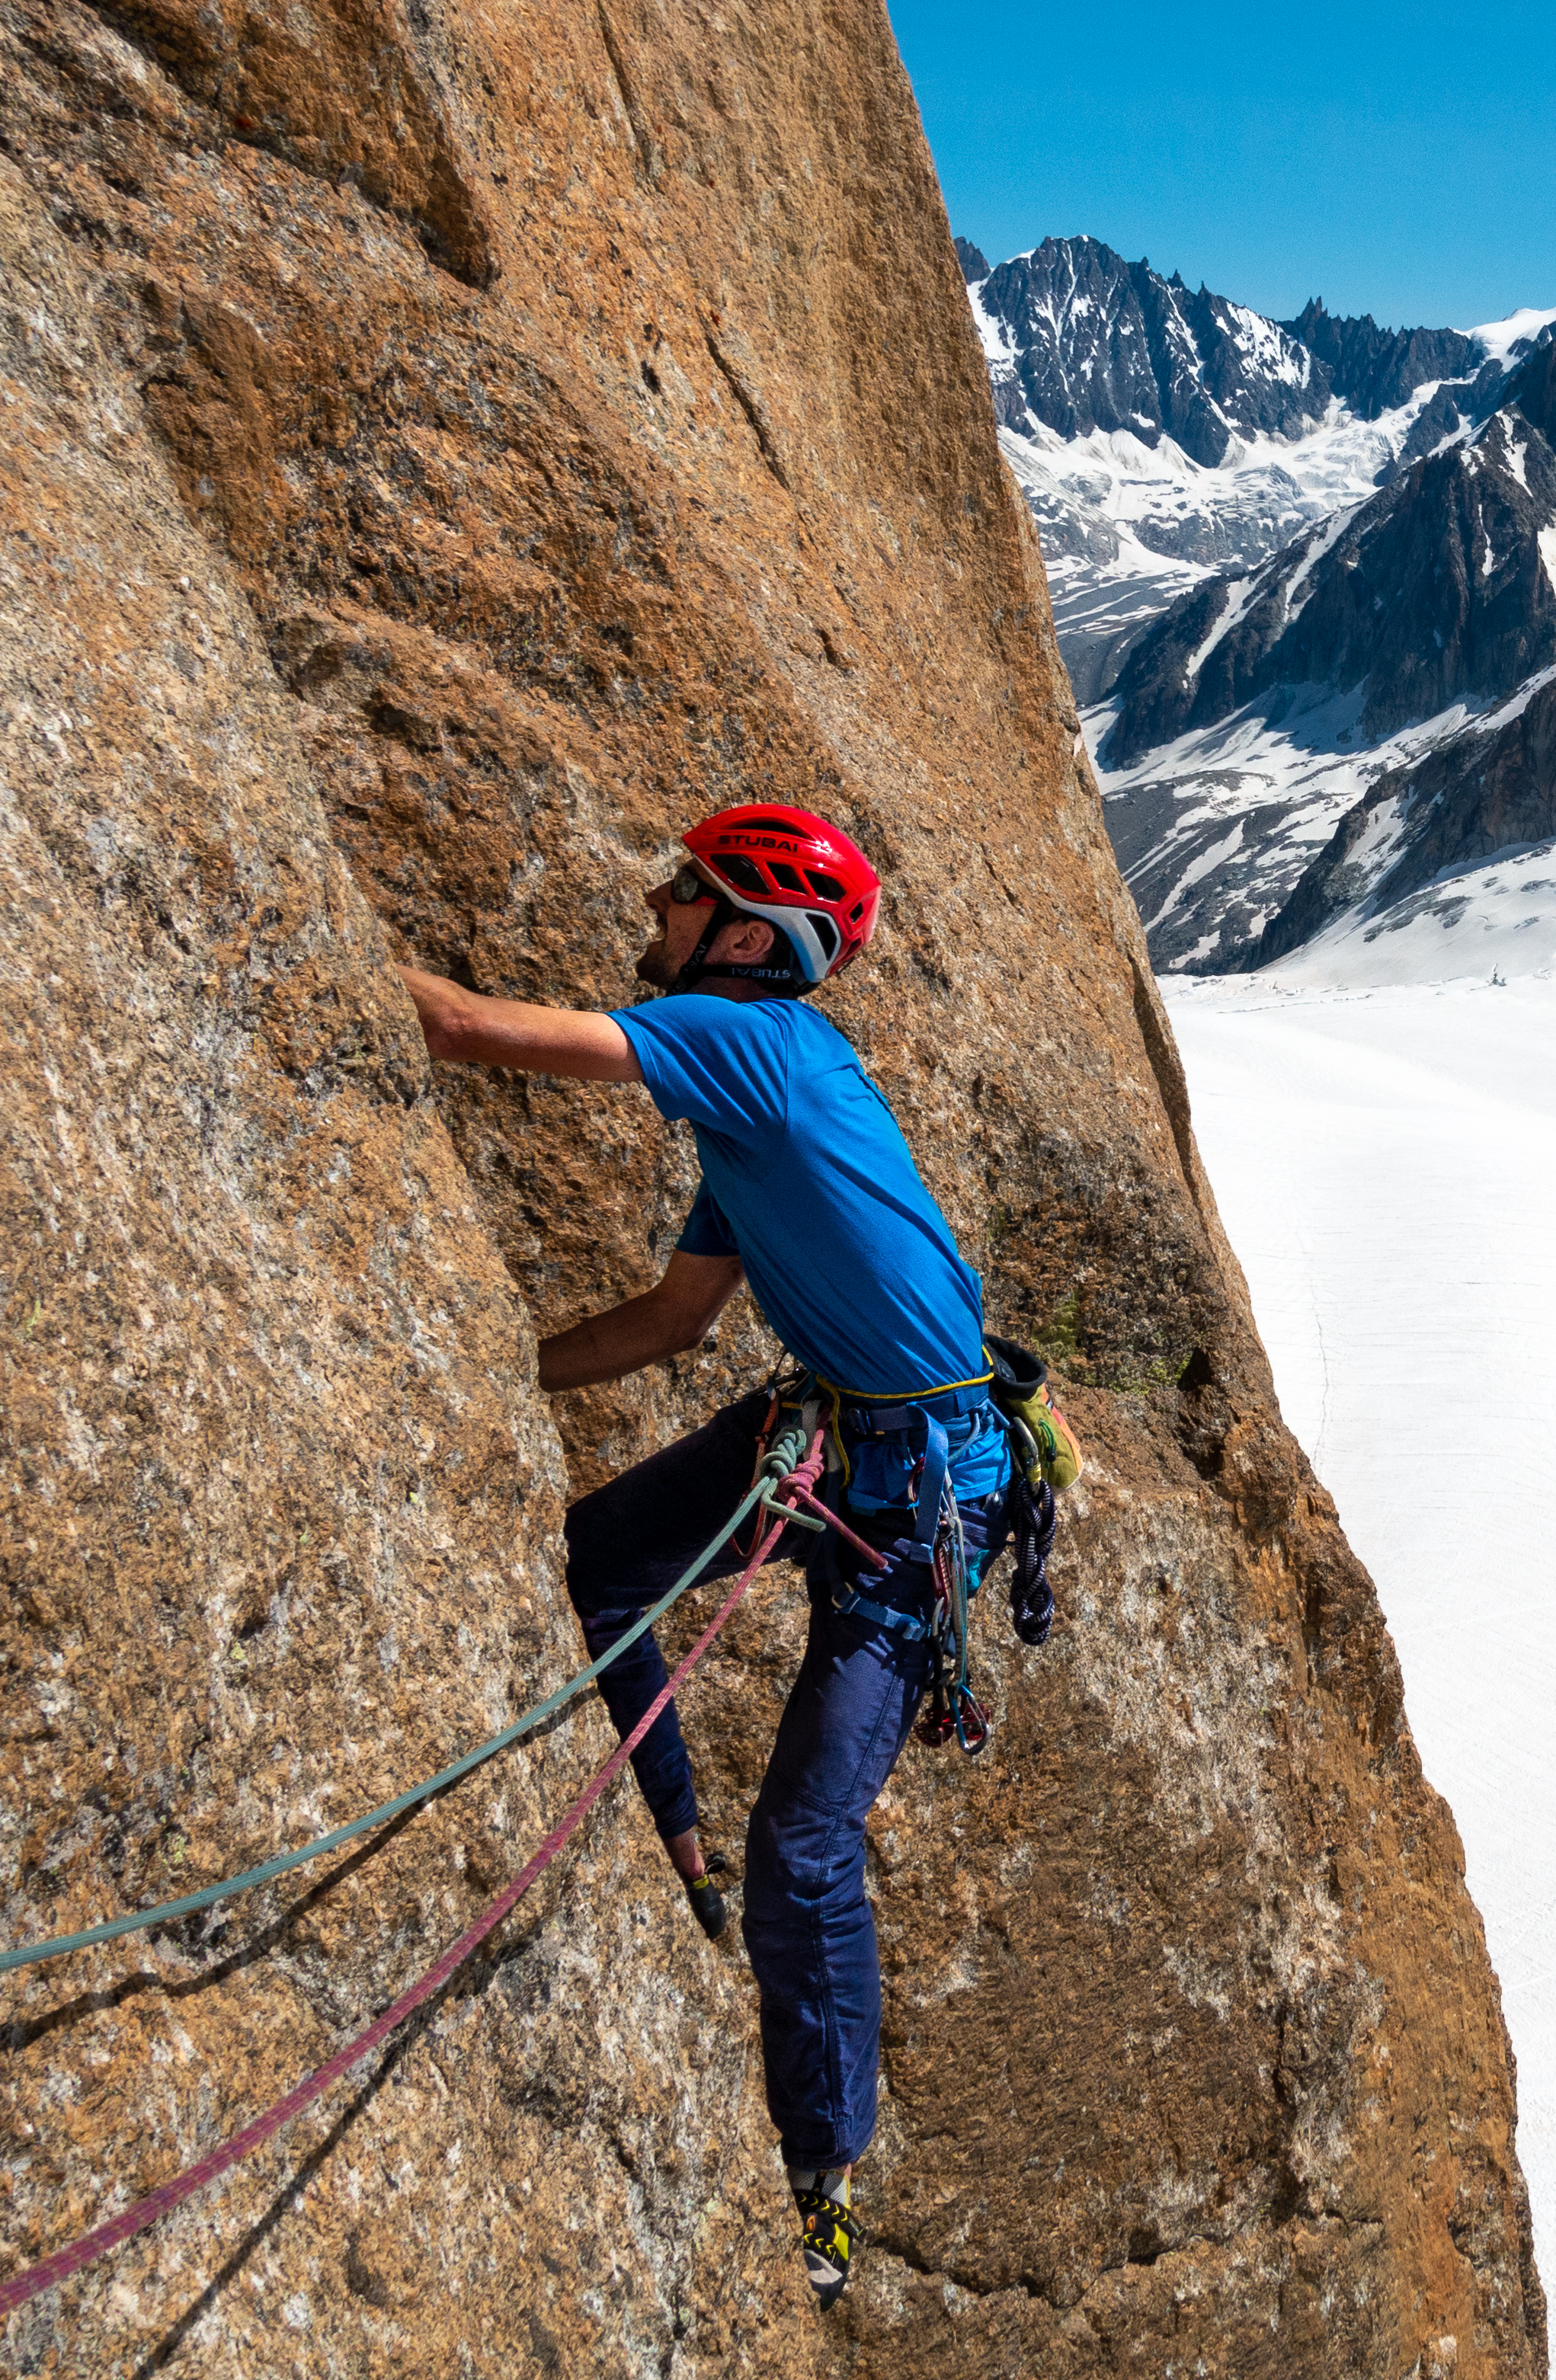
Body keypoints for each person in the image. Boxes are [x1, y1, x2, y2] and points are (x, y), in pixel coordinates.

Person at [396, 802, 1005, 2312]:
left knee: (808, 1847)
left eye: (688, 890)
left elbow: (474, 1032)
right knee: (603, 1557)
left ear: (748, 936)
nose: (657, 903)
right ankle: (674, 1840)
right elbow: (675, 1323)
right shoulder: (757, 1092)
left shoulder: (749, 1044)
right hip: (849, 1432)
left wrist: (295, 923)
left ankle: (825, 2173)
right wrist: (500, 1373)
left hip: (920, 1490)